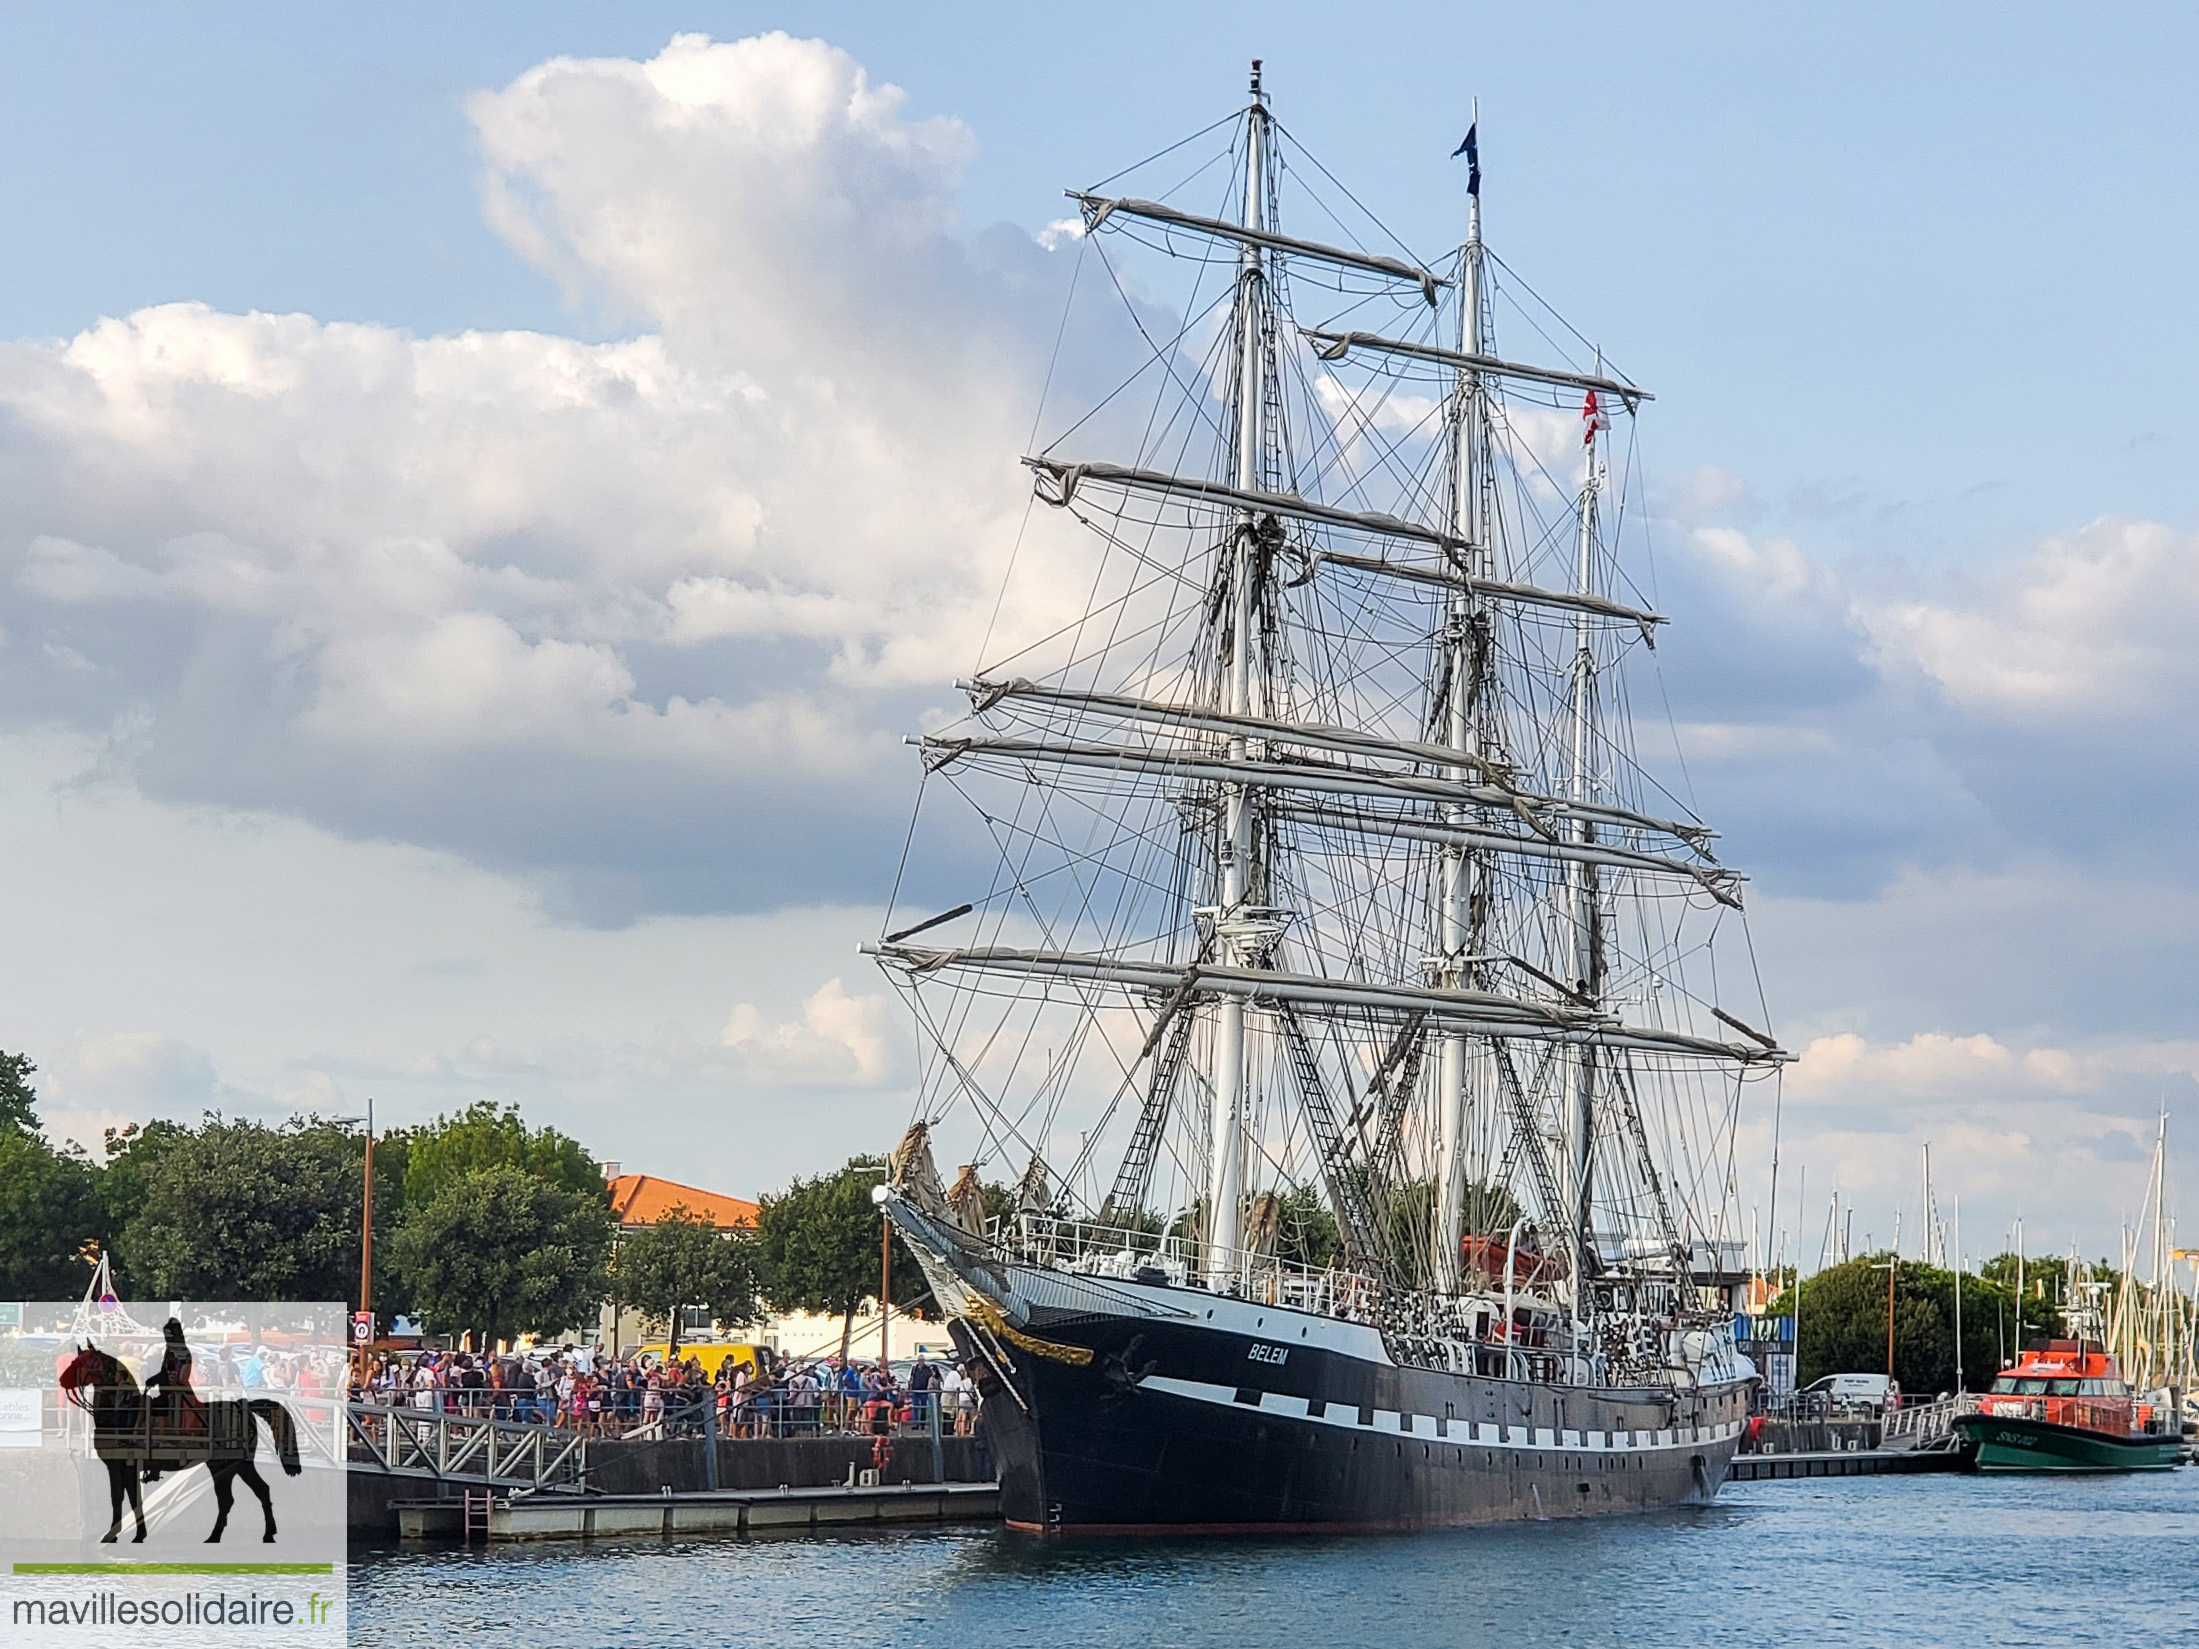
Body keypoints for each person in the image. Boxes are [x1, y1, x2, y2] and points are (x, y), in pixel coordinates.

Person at [907, 1349, 937, 1431]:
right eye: (919, 1360)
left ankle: (922, 1424)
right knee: (915, 1407)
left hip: (923, 1390)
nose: (921, 1361)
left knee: (923, 1407)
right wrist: (909, 1388)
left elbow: (930, 1378)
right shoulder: (914, 1368)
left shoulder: (927, 1369)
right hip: (915, 1390)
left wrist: (929, 1387)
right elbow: (911, 1378)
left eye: (922, 1360)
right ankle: (916, 1424)